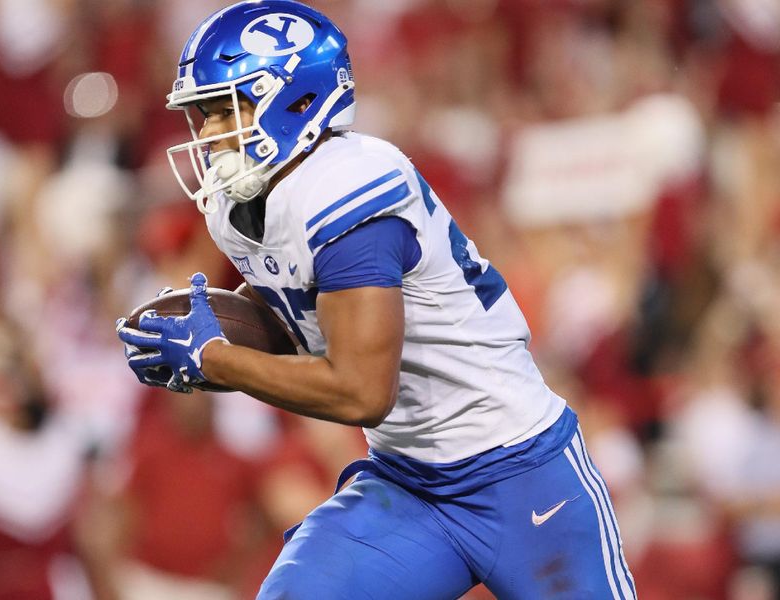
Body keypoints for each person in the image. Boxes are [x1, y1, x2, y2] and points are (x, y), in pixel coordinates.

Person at [116, 1, 637, 597]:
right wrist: (209, 326)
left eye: (224, 111)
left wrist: (213, 358)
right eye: (201, 116)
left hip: (518, 472)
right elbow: (303, 326)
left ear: (293, 100)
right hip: (409, 479)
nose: (208, 135)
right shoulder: (240, 207)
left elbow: (361, 390)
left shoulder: (350, 189)